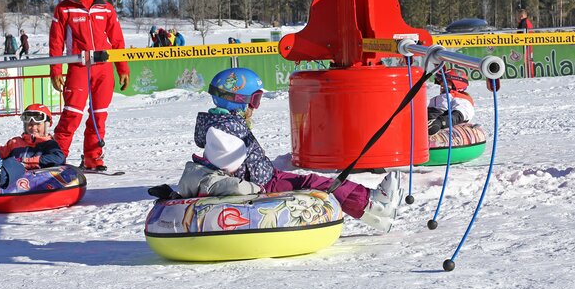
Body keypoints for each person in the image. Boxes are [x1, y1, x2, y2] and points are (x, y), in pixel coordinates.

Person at [150, 68, 405, 232]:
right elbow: (227, 163)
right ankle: (372, 204)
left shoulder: (223, 123)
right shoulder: (225, 129)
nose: (255, 107)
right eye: (255, 100)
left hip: (270, 176)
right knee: (317, 183)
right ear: (239, 100)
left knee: (312, 179)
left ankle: (371, 205)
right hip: (267, 185)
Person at [49, 0, 130, 171]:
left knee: (98, 115)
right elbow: (56, 42)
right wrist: (55, 70)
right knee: (72, 115)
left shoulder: (106, 8)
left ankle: (92, 158)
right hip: (79, 66)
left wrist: (122, 68)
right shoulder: (65, 8)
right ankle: (57, 157)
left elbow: (118, 41)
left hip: (103, 68)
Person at [427, 69, 475, 135]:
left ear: (457, 84)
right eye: (441, 85)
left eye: (445, 85)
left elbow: (459, 115)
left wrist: (441, 122)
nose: (441, 88)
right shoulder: (443, 97)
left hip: (436, 121)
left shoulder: (461, 99)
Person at [516, 9, 535, 77]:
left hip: (527, 44)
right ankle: (530, 75)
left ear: (521, 15)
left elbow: (520, 33)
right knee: (529, 60)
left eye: (518, 16)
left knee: (527, 60)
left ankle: (530, 75)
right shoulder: (527, 22)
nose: (517, 18)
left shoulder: (524, 22)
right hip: (529, 43)